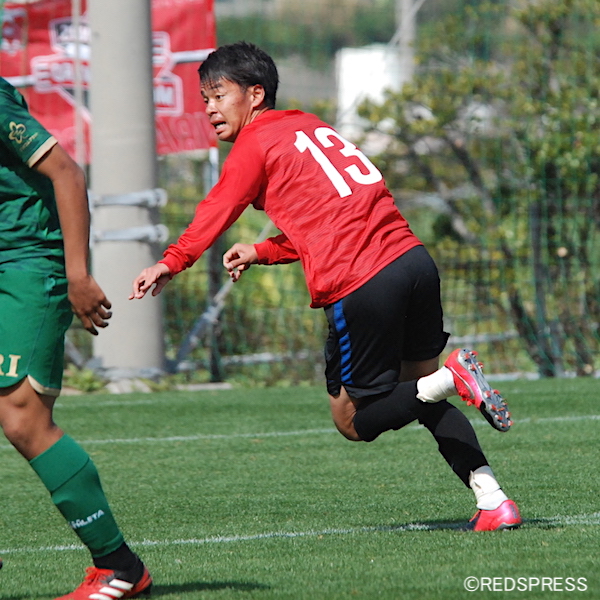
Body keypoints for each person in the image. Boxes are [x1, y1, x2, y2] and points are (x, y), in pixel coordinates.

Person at [130, 41, 521, 531]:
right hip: (413, 263)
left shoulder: (255, 141)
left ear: (255, 94)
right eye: (204, 99)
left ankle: (453, 377)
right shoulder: (309, 126)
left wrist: (172, 261)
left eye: (218, 95)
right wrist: (263, 250)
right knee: (421, 395)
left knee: (353, 421)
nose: (209, 108)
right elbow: (333, 217)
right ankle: (494, 500)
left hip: (362, 281)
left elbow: (219, 207)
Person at [0, 77, 152, 599]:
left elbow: (66, 172)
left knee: (22, 416)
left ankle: (118, 565)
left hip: (26, 263)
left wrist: (77, 274)